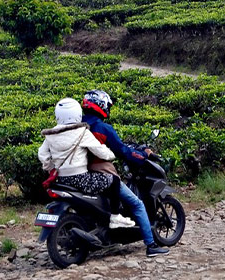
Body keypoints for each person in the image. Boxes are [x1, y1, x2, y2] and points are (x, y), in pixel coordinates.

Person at [81, 89, 170, 257]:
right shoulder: (102, 128)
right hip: (101, 173)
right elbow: (123, 151)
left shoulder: (77, 126)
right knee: (137, 204)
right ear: (101, 106)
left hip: (80, 174)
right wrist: (144, 155)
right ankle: (151, 245)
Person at [38, 98, 136, 229]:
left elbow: (42, 154)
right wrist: (111, 155)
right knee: (113, 181)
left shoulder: (51, 134)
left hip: (60, 180)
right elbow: (100, 151)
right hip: (80, 179)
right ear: (77, 113)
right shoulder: (82, 132)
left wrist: (50, 167)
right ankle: (115, 217)